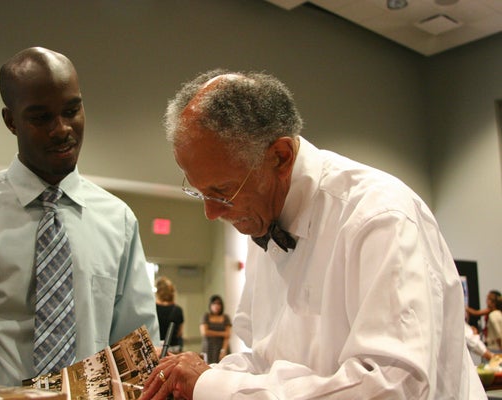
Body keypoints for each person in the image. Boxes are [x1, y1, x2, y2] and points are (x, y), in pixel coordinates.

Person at [140, 70, 486, 399]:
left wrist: (212, 386)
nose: (211, 213)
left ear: (281, 157)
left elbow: (393, 387)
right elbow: (264, 361)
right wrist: (201, 379)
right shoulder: (262, 220)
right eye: (200, 193)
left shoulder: (379, 217)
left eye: (223, 191)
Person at [0, 47, 159, 386]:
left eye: (72, 110)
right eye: (41, 118)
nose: (62, 128)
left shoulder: (118, 221)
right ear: (11, 121)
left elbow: (136, 353)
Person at [155, 276, 184, 353]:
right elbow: (179, 333)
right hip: (174, 349)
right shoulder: (178, 310)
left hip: (157, 349)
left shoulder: (153, 309)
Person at [199, 295, 231, 364]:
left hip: (222, 347)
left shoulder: (226, 317)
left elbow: (227, 335)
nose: (216, 306)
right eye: (214, 303)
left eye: (218, 304)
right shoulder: (206, 316)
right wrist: (222, 333)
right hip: (208, 348)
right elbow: (204, 332)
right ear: (210, 305)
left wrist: (223, 350)